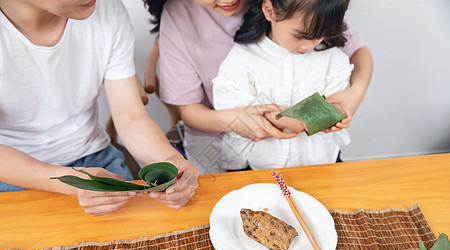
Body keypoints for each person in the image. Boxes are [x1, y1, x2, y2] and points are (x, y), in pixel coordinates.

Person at [0, 0, 199, 216]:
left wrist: (171, 161)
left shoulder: (106, 10)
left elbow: (130, 116)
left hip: (95, 158)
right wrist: (71, 183)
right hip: (12, 173)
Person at [144, 0, 373, 174]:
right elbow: (190, 112)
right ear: (268, 12)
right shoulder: (237, 55)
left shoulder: (302, 11)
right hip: (229, 147)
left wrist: (353, 95)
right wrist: (245, 120)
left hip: (312, 159)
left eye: (316, 37)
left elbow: (356, 52)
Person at [214, 0, 353, 170]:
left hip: (318, 164)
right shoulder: (242, 58)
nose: (309, 46)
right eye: (300, 35)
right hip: (254, 167)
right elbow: (231, 109)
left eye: (320, 35)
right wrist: (283, 120)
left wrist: (337, 113)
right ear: (269, 11)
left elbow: (333, 103)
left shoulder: (333, 59)